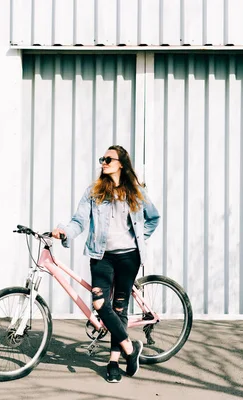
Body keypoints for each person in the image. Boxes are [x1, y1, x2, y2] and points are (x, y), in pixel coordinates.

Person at [52, 145, 160, 383]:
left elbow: (153, 218)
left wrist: (138, 238)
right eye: (102, 158)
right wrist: (64, 232)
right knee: (100, 303)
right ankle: (130, 350)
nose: (103, 162)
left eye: (108, 159)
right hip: (101, 256)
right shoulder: (94, 191)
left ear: (121, 163)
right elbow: (79, 221)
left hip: (129, 257)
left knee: (119, 309)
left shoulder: (135, 192)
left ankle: (113, 361)